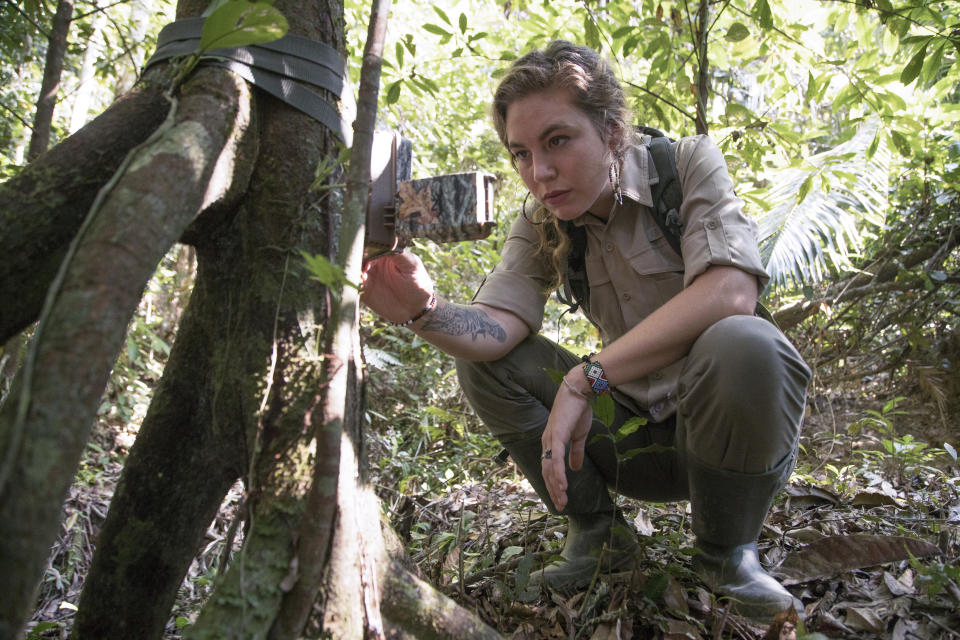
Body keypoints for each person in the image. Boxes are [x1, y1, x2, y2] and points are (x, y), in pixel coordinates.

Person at [361, 40, 810, 622]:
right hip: (628, 442)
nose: (539, 172)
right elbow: (496, 332)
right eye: (521, 153)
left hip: (722, 441)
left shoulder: (688, 163)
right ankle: (599, 536)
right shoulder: (542, 218)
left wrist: (585, 379)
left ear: (613, 130)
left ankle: (728, 554)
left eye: (558, 141)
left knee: (745, 341)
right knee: (481, 362)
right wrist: (423, 311)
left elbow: (731, 292)